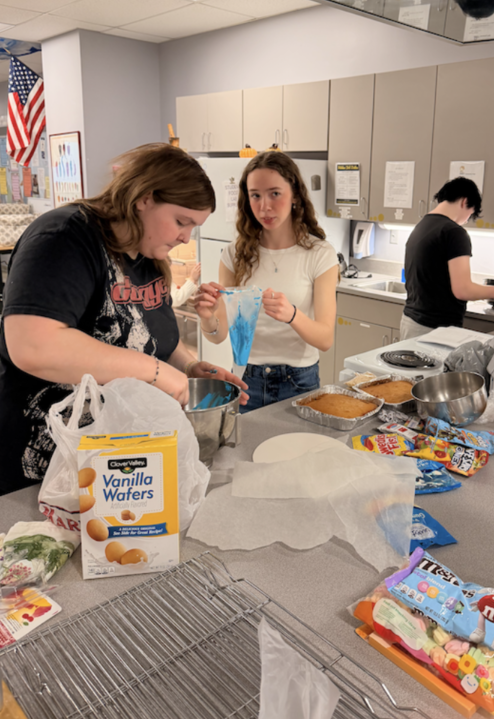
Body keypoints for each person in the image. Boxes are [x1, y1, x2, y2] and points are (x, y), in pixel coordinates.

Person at [0, 143, 247, 496]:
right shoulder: (63, 237)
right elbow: (33, 345)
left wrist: (191, 369)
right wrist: (158, 374)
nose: (185, 237)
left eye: (193, 227)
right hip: (44, 465)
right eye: (181, 221)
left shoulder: (145, 253)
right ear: (144, 198)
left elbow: (151, 337)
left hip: (116, 463)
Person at [195, 151, 338, 412]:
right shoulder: (233, 254)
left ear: (294, 195)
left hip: (299, 382)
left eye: (275, 193)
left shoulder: (320, 254)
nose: (265, 207)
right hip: (245, 379)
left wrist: (292, 314)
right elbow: (219, 336)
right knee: (243, 453)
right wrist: (207, 317)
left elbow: (325, 339)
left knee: (297, 453)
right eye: (255, 195)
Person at [401, 177, 494, 340]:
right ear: (465, 202)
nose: (465, 221)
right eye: (470, 214)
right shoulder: (453, 232)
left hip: (411, 323)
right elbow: (462, 290)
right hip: (435, 330)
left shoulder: (422, 225)